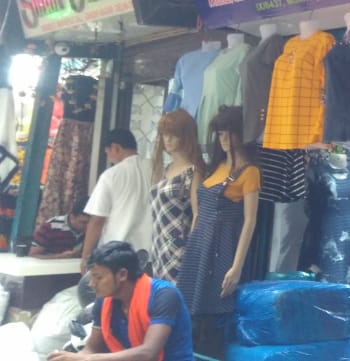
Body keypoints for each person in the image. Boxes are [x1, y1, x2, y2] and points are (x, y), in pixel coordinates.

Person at [175, 106, 260, 358]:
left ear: (240, 134)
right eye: (220, 133)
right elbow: (199, 211)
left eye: (228, 133)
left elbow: (250, 221)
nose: (223, 139)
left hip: (221, 249)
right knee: (188, 314)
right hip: (199, 246)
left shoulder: (250, 172)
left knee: (212, 317)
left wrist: (236, 267)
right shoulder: (217, 167)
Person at [47, 241, 193, 361]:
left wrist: (89, 359)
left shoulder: (164, 295)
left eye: (98, 277)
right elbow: (91, 349)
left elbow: (148, 353)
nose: (91, 284)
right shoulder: (103, 301)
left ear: (122, 274)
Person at [81, 130, 153, 275]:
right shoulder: (157, 169)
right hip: (150, 255)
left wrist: (85, 257)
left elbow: (97, 220)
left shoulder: (111, 175)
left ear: (115, 148)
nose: (109, 158)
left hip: (117, 256)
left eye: (108, 153)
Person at [150, 109, 203, 282]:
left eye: (173, 134)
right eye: (165, 134)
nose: (168, 139)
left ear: (185, 136)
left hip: (178, 246)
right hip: (158, 245)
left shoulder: (192, 171)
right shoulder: (166, 170)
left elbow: (197, 214)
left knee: (173, 292)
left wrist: (192, 251)